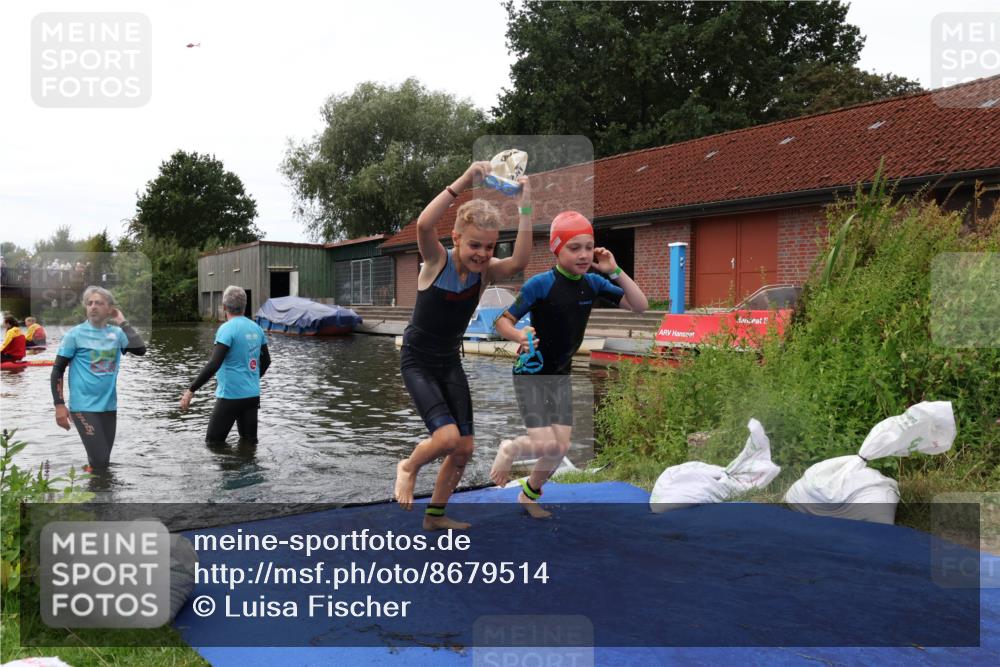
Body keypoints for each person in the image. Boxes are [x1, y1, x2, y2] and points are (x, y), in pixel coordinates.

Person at [393, 161, 533, 530]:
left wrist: (525, 205)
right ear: (455, 239)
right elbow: (425, 225)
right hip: (418, 361)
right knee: (447, 437)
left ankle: (435, 516)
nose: (482, 254)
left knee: (464, 449)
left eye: (488, 247)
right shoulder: (436, 261)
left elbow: (519, 260)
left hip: (448, 362)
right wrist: (465, 181)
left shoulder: (485, 273)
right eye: (474, 245)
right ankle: (408, 466)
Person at [489, 210, 649, 518]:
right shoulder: (540, 284)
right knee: (545, 443)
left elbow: (640, 306)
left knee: (559, 448)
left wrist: (615, 271)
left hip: (560, 374)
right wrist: (519, 335)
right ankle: (510, 448)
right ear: (556, 249)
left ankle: (528, 495)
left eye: (588, 247)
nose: (584, 254)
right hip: (532, 373)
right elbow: (502, 321)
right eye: (574, 248)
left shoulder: (594, 283)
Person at [50, 286, 146, 471]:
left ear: (110, 309)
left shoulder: (117, 334)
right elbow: (57, 370)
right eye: (90, 303)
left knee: (102, 462)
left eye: (99, 303)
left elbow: (140, 350)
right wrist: (59, 405)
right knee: (101, 461)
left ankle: (94, 492)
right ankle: (96, 494)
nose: (93, 306)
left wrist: (123, 322)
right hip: (83, 407)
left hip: (109, 406)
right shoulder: (74, 335)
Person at [180, 285, 270, 445]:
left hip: (230, 396)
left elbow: (214, 363)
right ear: (244, 306)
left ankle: (228, 469)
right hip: (251, 396)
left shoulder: (227, 329)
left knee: (213, 443)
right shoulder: (257, 328)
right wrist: (251, 378)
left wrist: (191, 390)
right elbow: (266, 361)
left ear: (224, 307)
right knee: (248, 443)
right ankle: (247, 469)